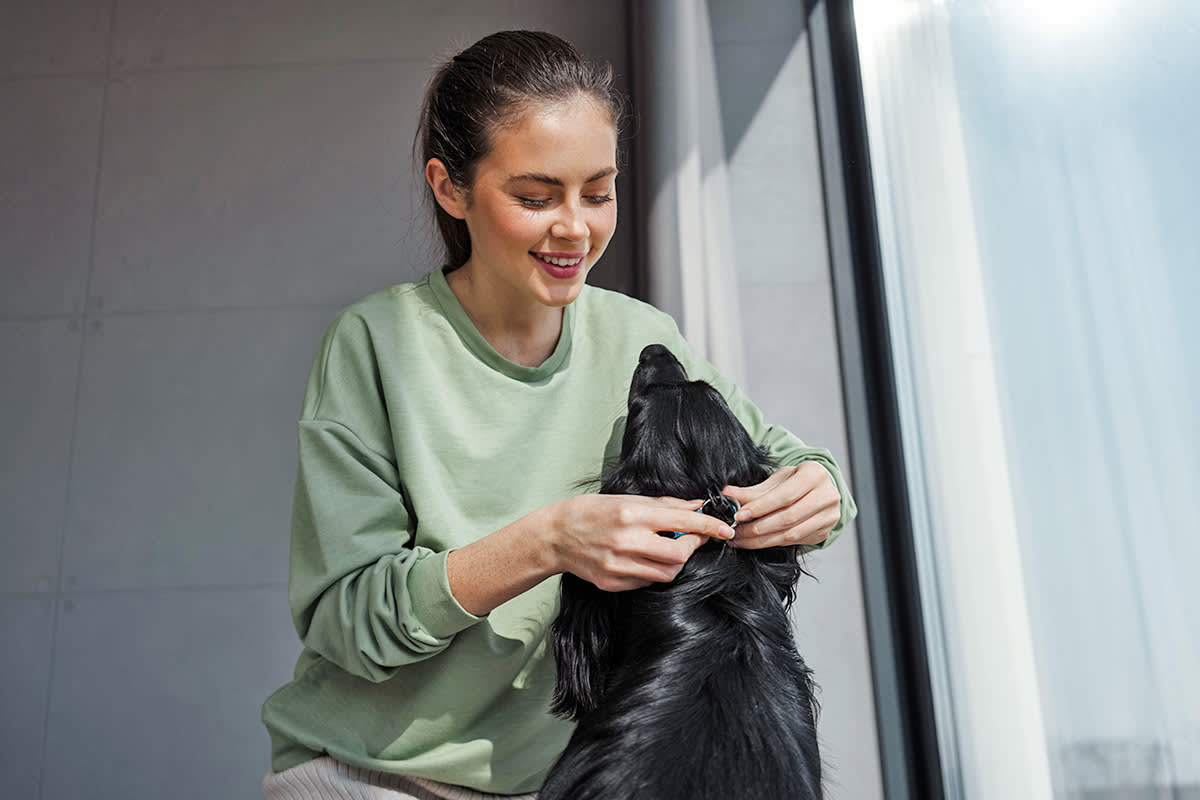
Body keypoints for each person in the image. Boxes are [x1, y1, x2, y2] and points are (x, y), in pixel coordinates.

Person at [260, 29, 856, 800]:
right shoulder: (376, 345)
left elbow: (799, 465)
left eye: (598, 192)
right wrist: (548, 541)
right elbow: (347, 619)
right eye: (536, 198)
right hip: (370, 777)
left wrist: (817, 489)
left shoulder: (638, 337)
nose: (575, 227)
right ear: (451, 189)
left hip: (563, 784)